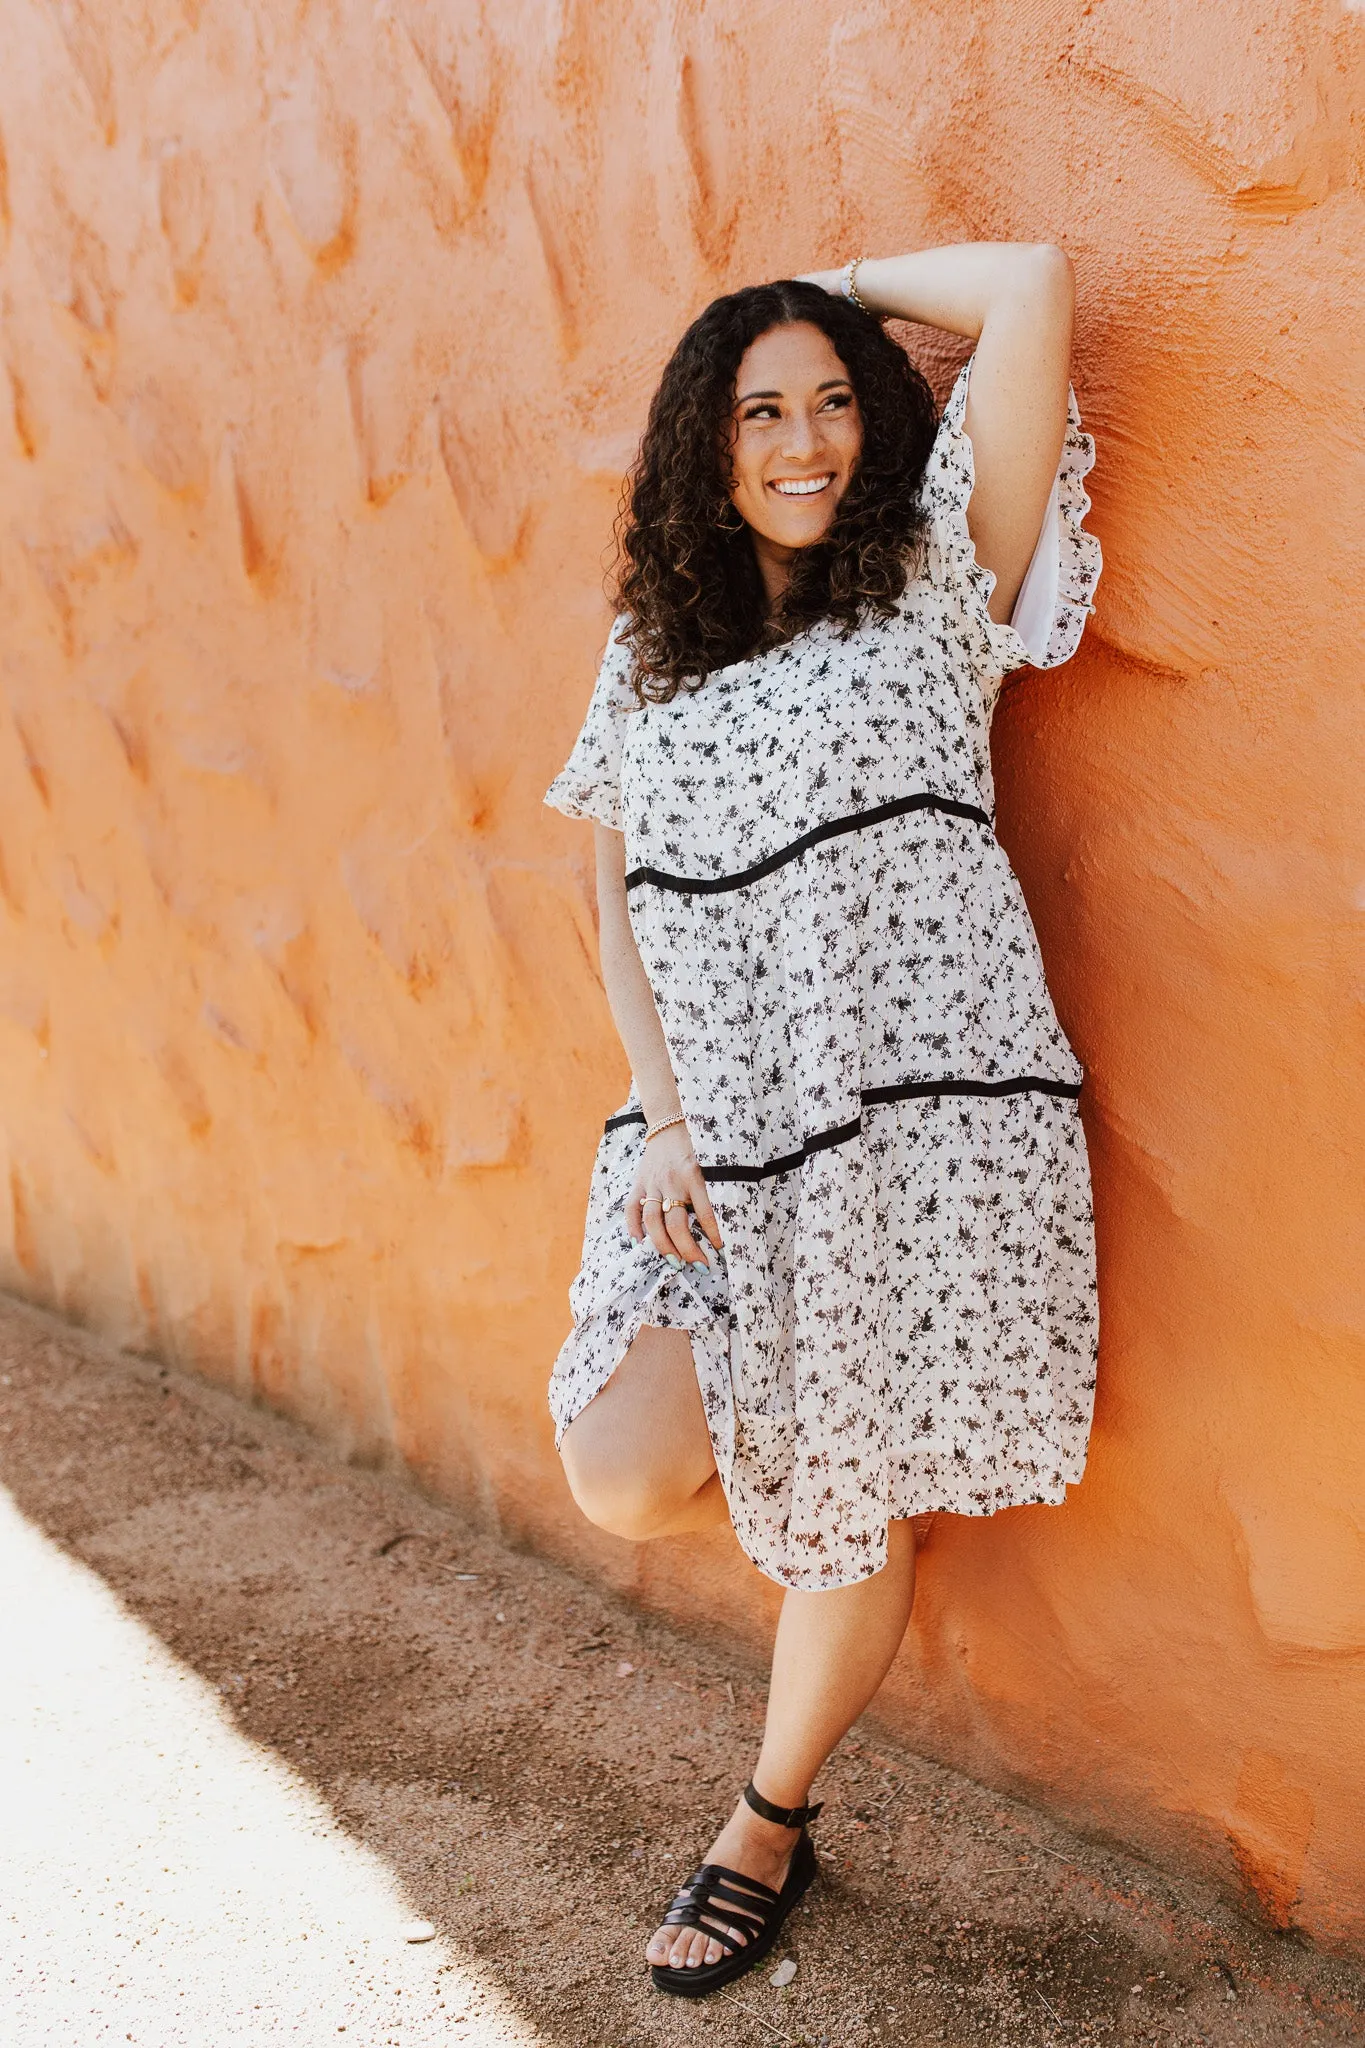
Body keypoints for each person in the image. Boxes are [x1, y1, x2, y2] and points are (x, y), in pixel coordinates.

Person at [543, 244, 1102, 1998]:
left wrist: (830, 284)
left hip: (918, 1136)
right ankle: (827, 1489)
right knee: (630, 1466)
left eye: (837, 396)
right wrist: (660, 1108)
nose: (805, 439)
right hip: (717, 1131)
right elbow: (610, 879)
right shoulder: (658, 645)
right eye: (761, 407)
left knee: (852, 1495)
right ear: (706, 442)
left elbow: (1033, 285)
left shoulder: (943, 569)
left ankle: (766, 1818)